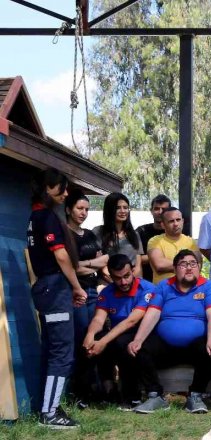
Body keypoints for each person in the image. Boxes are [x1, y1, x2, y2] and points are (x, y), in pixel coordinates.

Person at [27, 168, 87, 428]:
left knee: (52, 349)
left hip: (45, 288)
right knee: (62, 352)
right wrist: (76, 287)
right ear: (47, 189)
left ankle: (47, 406)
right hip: (54, 288)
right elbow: (61, 255)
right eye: (60, 189)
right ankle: (49, 413)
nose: (64, 194)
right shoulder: (47, 218)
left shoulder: (34, 217)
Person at [127, 249, 211, 414]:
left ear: (199, 267)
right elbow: (152, 313)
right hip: (166, 348)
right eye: (183, 264)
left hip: (195, 348)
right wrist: (138, 339)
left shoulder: (207, 286)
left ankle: (195, 396)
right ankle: (155, 396)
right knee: (141, 347)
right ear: (175, 268)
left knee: (209, 347)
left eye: (193, 264)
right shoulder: (164, 286)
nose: (189, 268)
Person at [82, 255, 154, 409]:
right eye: (118, 278)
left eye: (127, 276)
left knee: (119, 342)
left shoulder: (147, 289)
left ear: (133, 270)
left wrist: (103, 342)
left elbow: (132, 321)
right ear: (110, 276)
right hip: (117, 334)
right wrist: (90, 336)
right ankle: (104, 391)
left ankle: (132, 396)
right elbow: (98, 320)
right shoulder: (107, 292)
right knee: (93, 340)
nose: (123, 282)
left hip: (143, 335)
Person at [64, 189, 107, 404]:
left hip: (93, 291)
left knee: (94, 338)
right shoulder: (65, 234)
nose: (84, 213)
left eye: (87, 209)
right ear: (68, 209)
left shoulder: (89, 234)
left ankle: (92, 390)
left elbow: (104, 260)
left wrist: (85, 265)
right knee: (81, 338)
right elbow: (69, 268)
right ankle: (76, 391)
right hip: (76, 293)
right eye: (80, 208)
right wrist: (91, 265)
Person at [93, 192, 144, 279]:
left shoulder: (134, 234)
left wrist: (131, 280)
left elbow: (138, 262)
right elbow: (100, 263)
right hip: (108, 282)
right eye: (118, 208)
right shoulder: (98, 232)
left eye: (125, 207)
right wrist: (117, 280)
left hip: (133, 282)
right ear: (109, 210)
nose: (123, 211)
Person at [147, 207, 200, 283]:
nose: (175, 224)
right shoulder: (154, 241)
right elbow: (159, 265)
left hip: (188, 291)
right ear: (163, 225)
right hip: (164, 291)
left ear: (183, 221)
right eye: (171, 221)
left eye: (178, 220)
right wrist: (188, 264)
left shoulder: (191, 242)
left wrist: (173, 265)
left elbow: (198, 266)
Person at [135, 194, 171, 284]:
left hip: (170, 283)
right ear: (151, 211)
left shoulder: (173, 232)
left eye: (164, 209)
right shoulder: (141, 231)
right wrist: (159, 257)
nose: (160, 212)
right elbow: (135, 258)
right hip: (147, 282)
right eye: (156, 209)